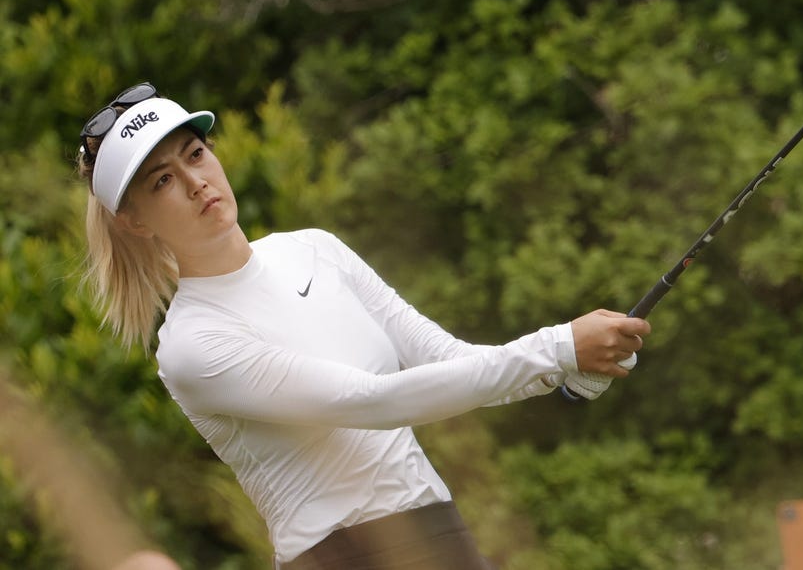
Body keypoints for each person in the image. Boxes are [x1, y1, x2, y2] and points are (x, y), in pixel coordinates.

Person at [75, 83, 650, 569]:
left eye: (195, 154)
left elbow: (445, 359)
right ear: (135, 223)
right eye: (162, 180)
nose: (195, 181)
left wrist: (569, 368)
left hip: (438, 531)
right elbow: (371, 402)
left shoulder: (314, 250)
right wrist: (556, 349)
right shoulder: (191, 346)